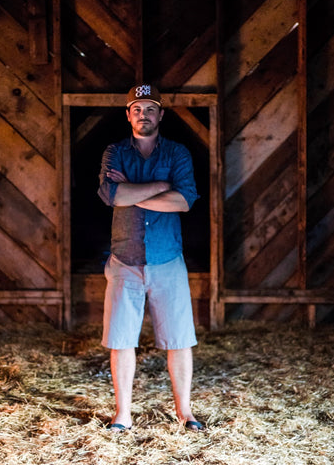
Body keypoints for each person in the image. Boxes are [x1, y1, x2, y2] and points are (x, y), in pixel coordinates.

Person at [97, 84, 203, 432]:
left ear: (161, 114)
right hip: (124, 258)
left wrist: (134, 193)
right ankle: (122, 415)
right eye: (137, 109)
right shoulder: (114, 152)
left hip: (167, 259)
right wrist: (160, 187)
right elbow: (111, 194)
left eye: (151, 108)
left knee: (179, 339)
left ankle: (185, 413)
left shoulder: (177, 153)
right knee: (121, 339)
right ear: (129, 114)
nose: (144, 114)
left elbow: (185, 200)